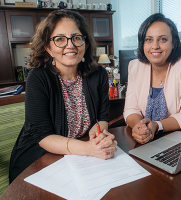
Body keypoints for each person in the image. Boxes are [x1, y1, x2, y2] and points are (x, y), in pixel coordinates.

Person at [9, 10, 117, 183]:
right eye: (59, 39)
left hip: (79, 158)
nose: (70, 45)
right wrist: (88, 149)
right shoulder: (38, 78)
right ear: (48, 48)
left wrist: (98, 139)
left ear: (85, 44)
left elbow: (102, 118)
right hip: (39, 160)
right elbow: (42, 136)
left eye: (76, 37)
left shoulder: (99, 75)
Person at [124, 13, 181, 144]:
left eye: (163, 39)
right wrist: (140, 127)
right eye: (149, 39)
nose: (155, 46)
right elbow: (131, 109)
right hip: (143, 140)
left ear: (173, 43)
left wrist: (156, 126)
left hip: (176, 141)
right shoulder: (134, 66)